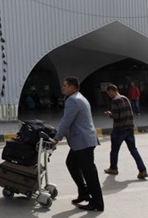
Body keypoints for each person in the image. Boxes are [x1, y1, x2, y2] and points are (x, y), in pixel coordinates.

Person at [51, 76, 104, 212]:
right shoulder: (79, 97)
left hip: (83, 141)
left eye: (65, 85)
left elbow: (66, 120)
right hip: (82, 141)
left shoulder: (73, 100)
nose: (63, 88)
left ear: (72, 87)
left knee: (89, 172)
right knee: (71, 163)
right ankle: (84, 192)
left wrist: (57, 138)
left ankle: (97, 202)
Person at [104, 84, 148, 179]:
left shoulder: (115, 101)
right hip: (129, 128)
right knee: (133, 150)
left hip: (119, 130)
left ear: (111, 91)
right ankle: (142, 170)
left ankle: (113, 168)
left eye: (108, 93)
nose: (109, 95)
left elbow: (116, 116)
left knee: (114, 150)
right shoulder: (125, 98)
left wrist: (109, 114)